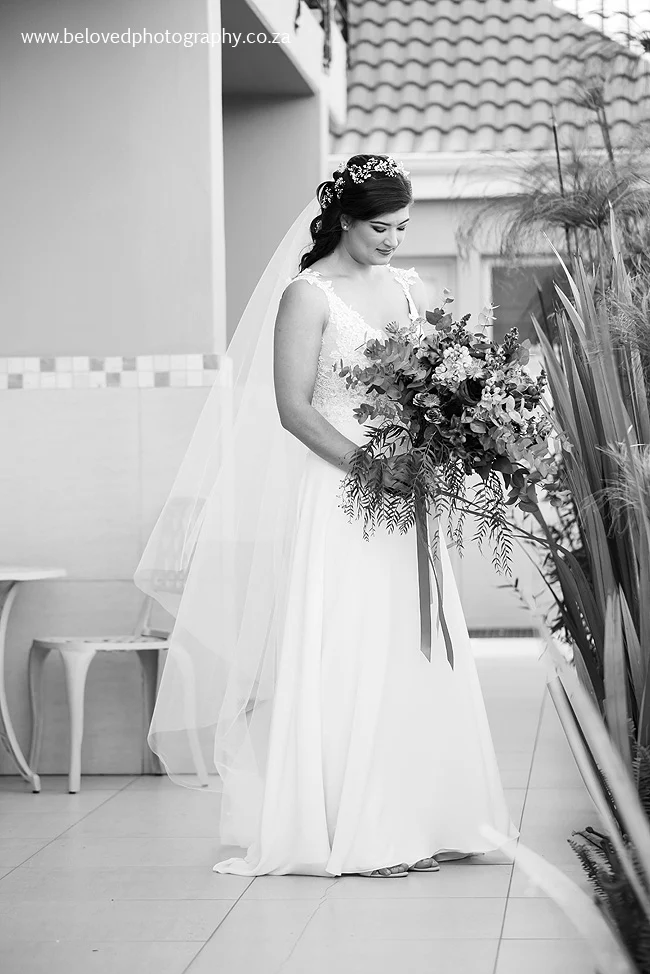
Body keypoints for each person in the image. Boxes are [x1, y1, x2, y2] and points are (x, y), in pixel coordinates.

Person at [134, 154, 519, 879]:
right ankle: (357, 830)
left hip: (411, 488)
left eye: (402, 226)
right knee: (350, 641)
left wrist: (449, 439)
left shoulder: (409, 290)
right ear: (344, 219)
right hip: (343, 491)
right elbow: (293, 408)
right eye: (381, 228)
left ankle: (432, 817)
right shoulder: (307, 296)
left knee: (414, 643)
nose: (393, 241)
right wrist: (370, 467)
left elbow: (434, 386)